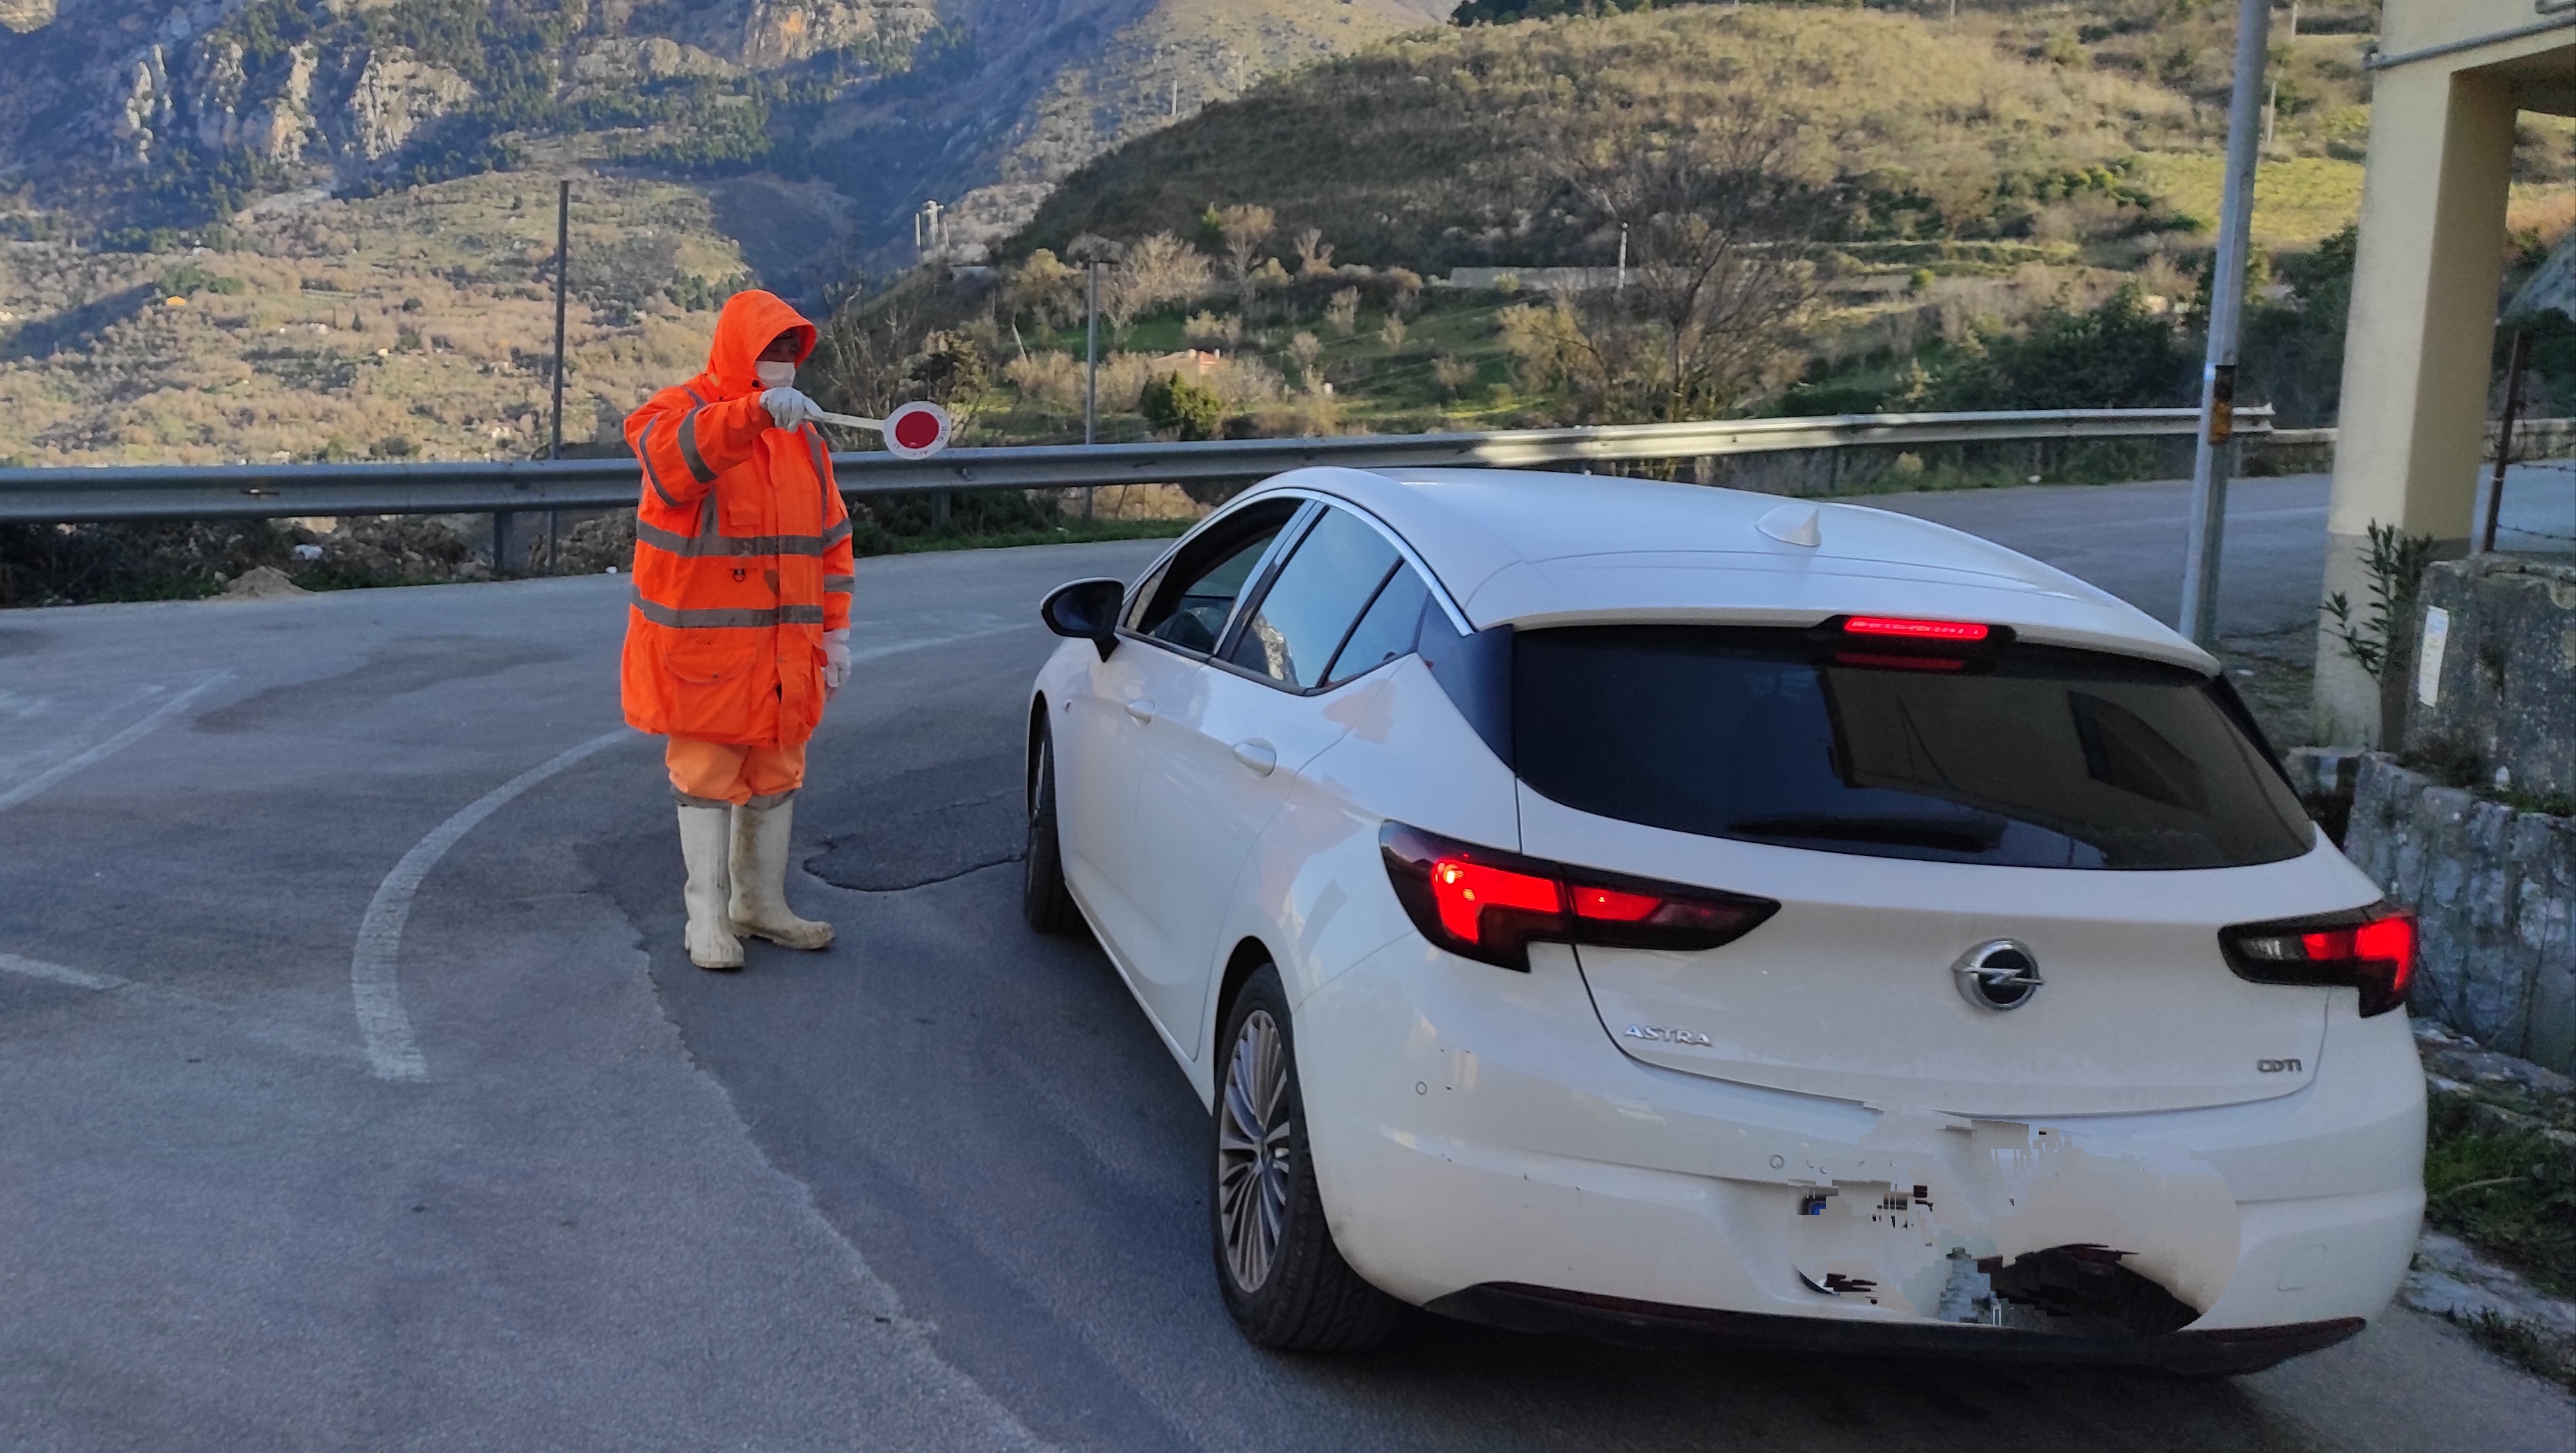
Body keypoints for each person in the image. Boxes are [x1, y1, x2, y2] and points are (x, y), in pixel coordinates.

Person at [621, 289, 853, 971]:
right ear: (737, 349)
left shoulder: (805, 440)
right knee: (706, 776)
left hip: (787, 656)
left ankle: (761, 905)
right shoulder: (673, 413)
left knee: (778, 771)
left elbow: (831, 543)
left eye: (791, 349)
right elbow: (675, 463)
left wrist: (835, 636)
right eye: (769, 348)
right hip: (706, 656)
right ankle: (707, 920)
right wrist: (751, 413)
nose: (782, 362)